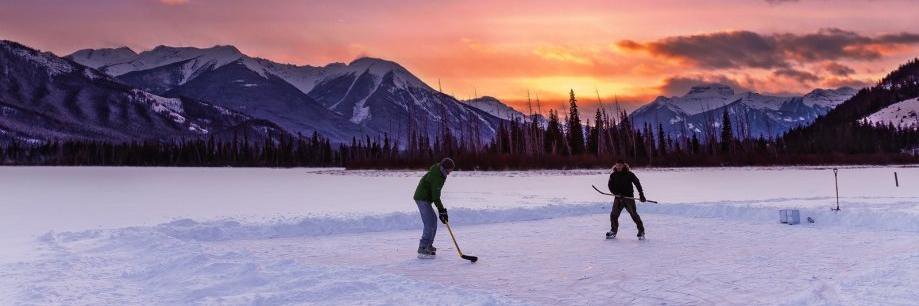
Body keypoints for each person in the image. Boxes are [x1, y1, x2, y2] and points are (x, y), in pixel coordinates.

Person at [413, 157, 455, 257]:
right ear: (445, 168)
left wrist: (441, 211)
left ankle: (429, 245)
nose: (450, 173)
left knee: (433, 220)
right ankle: (423, 247)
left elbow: (434, 195)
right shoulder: (437, 176)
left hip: (426, 198)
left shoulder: (439, 172)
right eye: (449, 170)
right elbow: (436, 197)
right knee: (429, 223)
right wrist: (441, 210)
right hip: (422, 198)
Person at [606, 160, 647, 240]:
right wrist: (616, 193)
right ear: (615, 165)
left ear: (624, 166)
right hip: (618, 198)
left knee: (634, 215)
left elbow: (637, 183)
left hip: (629, 198)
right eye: (617, 165)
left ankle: (641, 231)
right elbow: (610, 186)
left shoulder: (629, 174)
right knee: (614, 215)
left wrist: (641, 194)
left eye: (620, 165)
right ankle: (613, 231)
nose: (618, 167)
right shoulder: (613, 175)